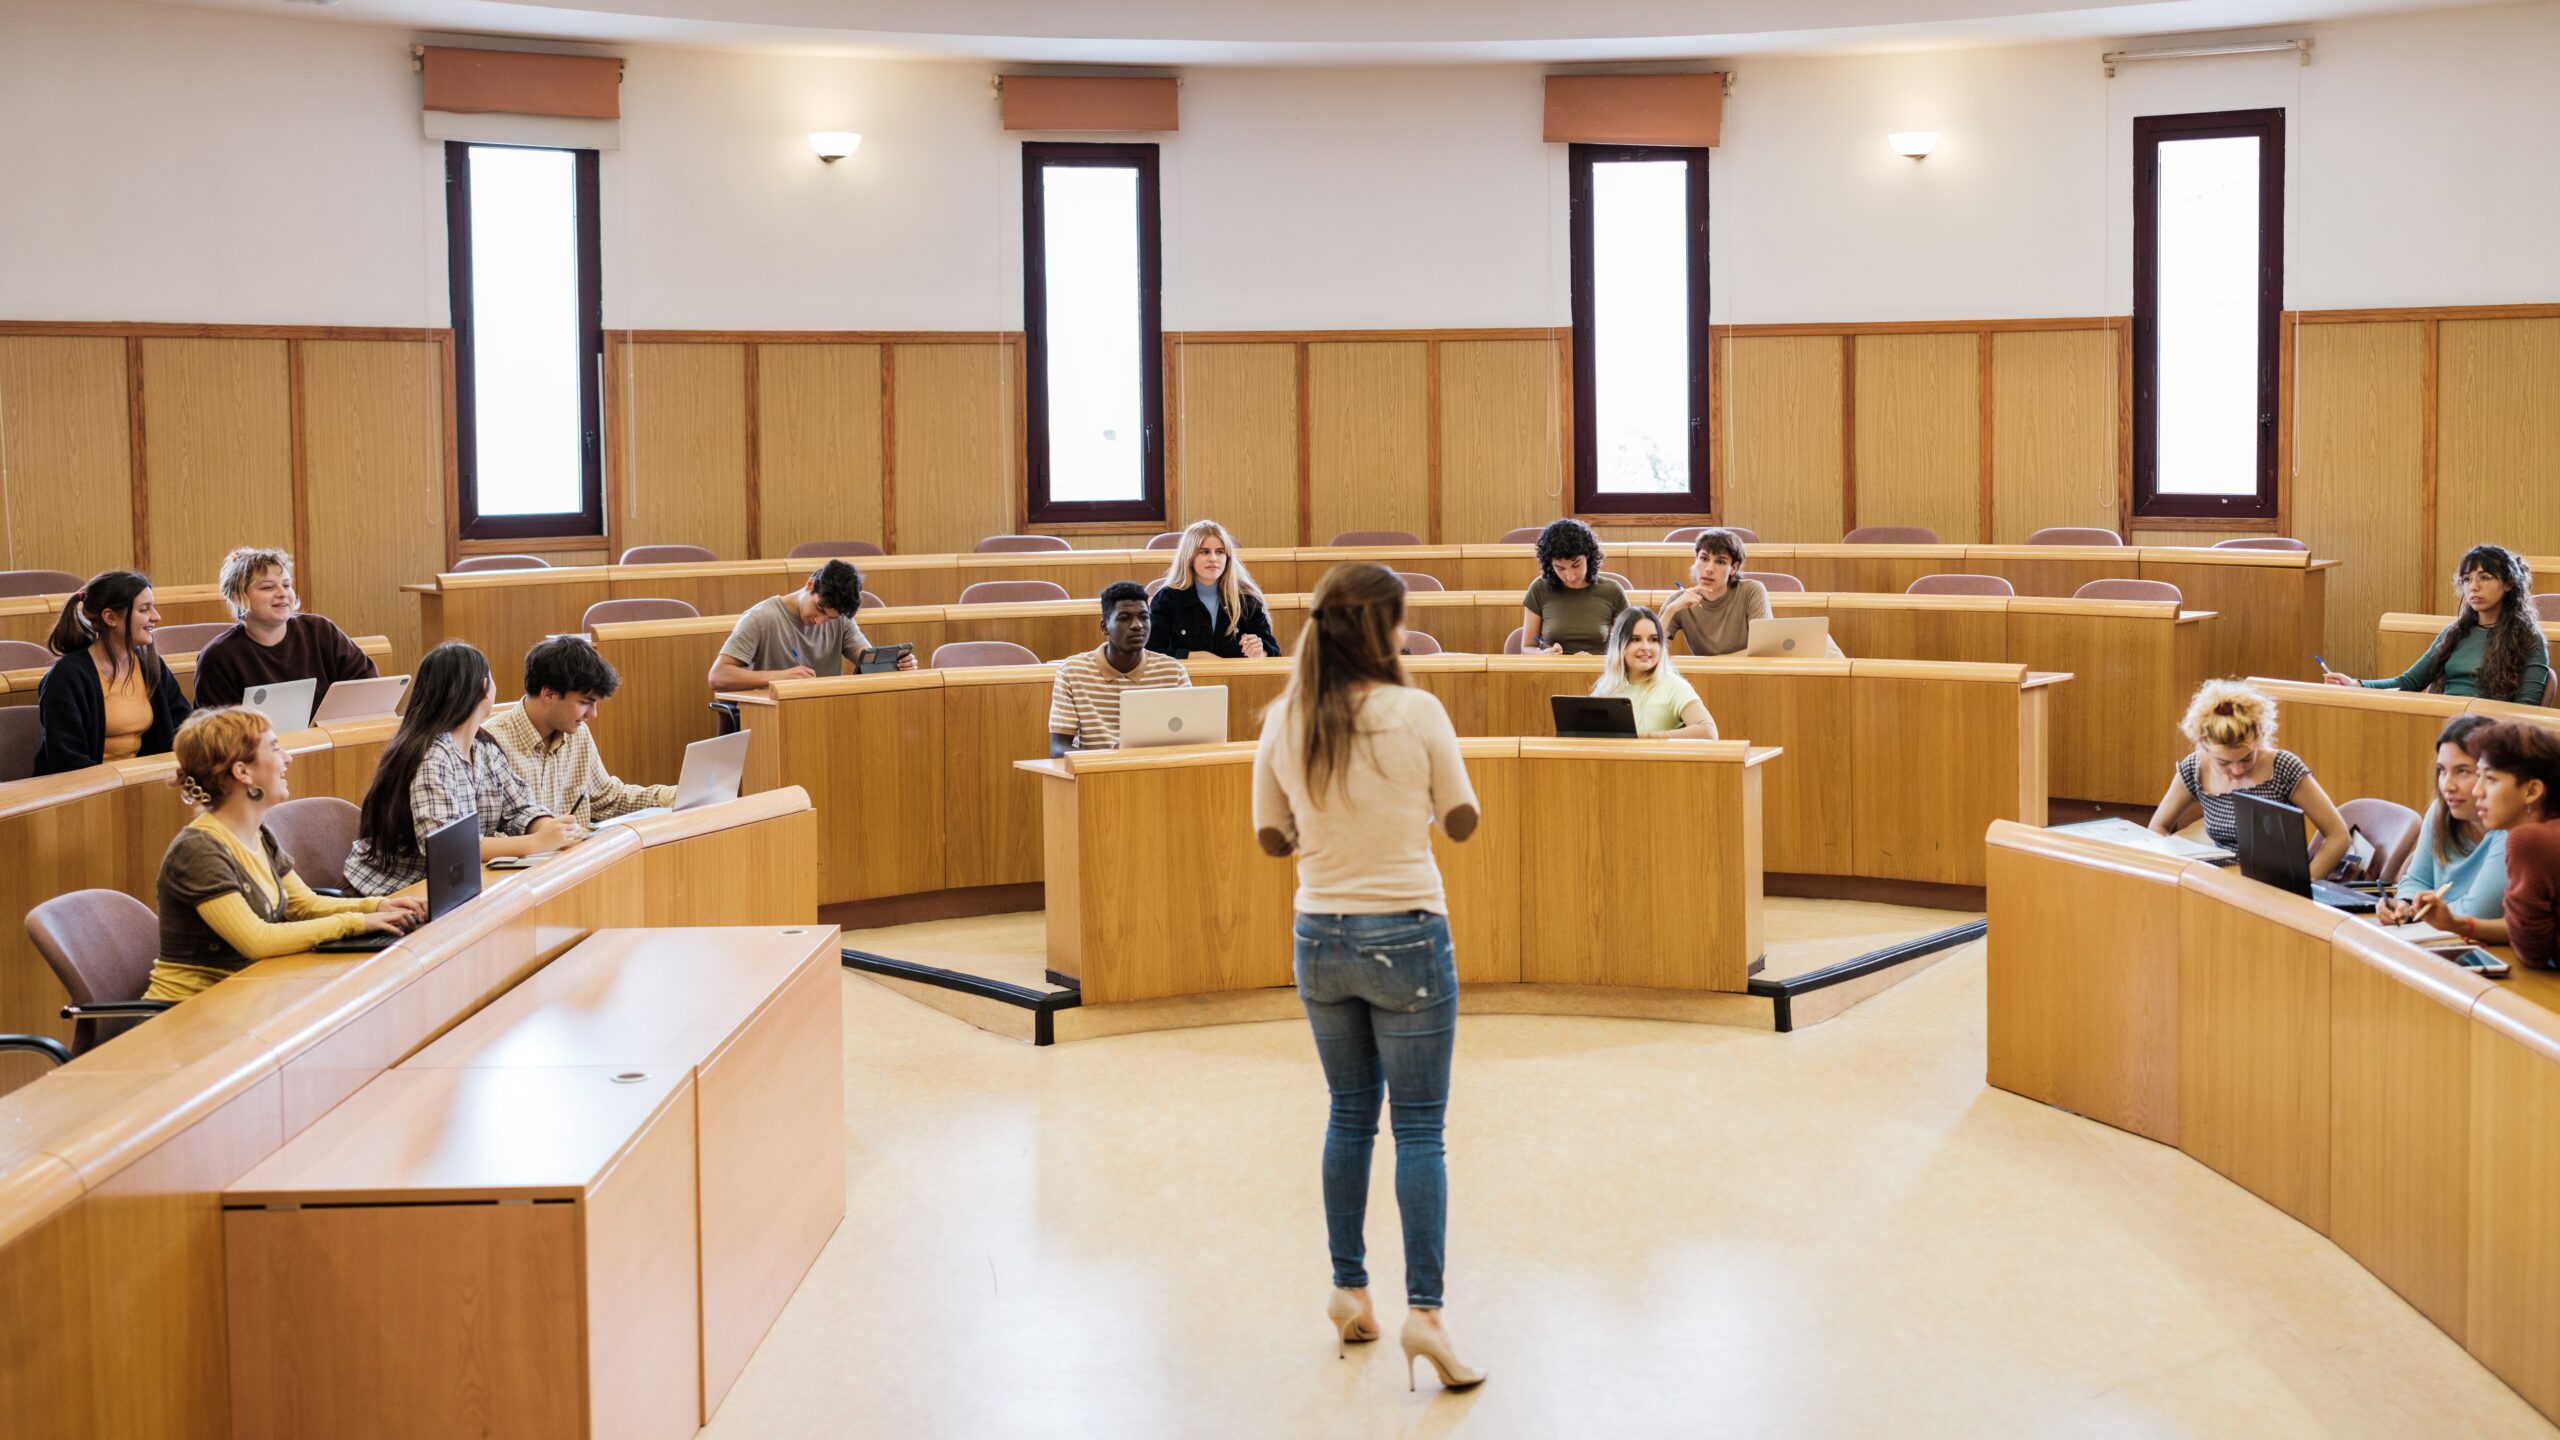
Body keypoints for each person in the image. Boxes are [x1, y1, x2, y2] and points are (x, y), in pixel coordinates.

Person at [1251, 563, 1484, 1393]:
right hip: (1409, 933)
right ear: (1381, 629)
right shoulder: (1416, 711)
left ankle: (1348, 1288)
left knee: (1350, 1116)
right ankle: (1427, 1314)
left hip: (1320, 934)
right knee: (1420, 1131)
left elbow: (1270, 837)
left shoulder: (1285, 717)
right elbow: (1461, 819)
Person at [145, 708, 422, 1000]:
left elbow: (305, 905)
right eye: (275, 748)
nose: (287, 758)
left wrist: (378, 907)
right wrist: (355, 923)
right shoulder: (197, 851)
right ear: (242, 772)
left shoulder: (259, 834)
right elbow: (257, 940)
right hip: (186, 1014)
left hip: (245, 996)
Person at [346, 642, 581, 895]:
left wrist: (548, 827)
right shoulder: (431, 757)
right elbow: (447, 848)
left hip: (450, 888)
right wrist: (534, 843)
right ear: (483, 687)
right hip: (396, 892)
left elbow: (519, 808)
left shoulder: (484, 747)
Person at [2147, 678, 2352, 876]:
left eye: (2247, 758)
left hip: (2274, 885)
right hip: (2221, 882)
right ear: (2204, 746)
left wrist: (2308, 887)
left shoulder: (2283, 767)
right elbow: (2158, 827)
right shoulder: (2194, 768)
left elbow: (2338, 836)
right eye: (2224, 763)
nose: (2237, 770)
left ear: (2260, 736)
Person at [2323, 544, 2551, 703]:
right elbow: (2408, 682)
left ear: (2509, 583)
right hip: (2445, 728)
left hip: (2491, 739)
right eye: (2467, 579)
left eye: (2484, 577)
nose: (2473, 586)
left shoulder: (2529, 638)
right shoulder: (2454, 633)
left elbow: (2525, 709)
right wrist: (2357, 684)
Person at [486, 636, 675, 822]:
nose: (592, 714)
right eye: (585, 703)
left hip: (579, 852)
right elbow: (486, 836)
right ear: (549, 694)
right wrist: (539, 838)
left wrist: (670, 796)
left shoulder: (577, 732)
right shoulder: (490, 744)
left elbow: (608, 799)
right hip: (530, 853)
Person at [33, 569, 190, 775]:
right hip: (88, 792)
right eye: (144, 610)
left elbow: (186, 727)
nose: (156, 617)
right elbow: (67, 760)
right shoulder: (67, 677)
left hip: (142, 785)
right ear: (110, 617)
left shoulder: (151, 666)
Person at [191, 546, 380, 710]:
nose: (282, 594)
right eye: (267, 587)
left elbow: (366, 681)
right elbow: (219, 733)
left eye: (287, 585)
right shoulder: (217, 657)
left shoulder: (320, 630)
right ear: (237, 598)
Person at [2376, 715, 2510, 942]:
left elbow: (2477, 912)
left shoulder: (2510, 829)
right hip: (2446, 939)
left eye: (2462, 771)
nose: (2447, 785)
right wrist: (2405, 904)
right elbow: (2417, 879)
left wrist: (2424, 910)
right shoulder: (2442, 810)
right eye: (2442, 770)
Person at [708, 558, 916, 690]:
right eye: (819, 610)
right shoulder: (760, 617)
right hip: (775, 715)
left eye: (830, 618)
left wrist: (898, 665)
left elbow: (867, 661)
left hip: (827, 712)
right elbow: (718, 676)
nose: (819, 621)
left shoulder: (841, 620)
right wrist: (780, 677)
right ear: (810, 585)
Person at [1048, 581, 1191, 757]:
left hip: (1155, 771)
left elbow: (1190, 739)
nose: (1137, 625)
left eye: (1144, 617)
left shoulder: (1173, 671)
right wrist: (1111, 757)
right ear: (1104, 627)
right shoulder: (1072, 671)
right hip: (1095, 774)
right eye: (1124, 618)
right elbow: (1057, 748)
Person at [2468, 720, 2560, 970]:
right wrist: (2456, 924)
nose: (2477, 791)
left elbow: (2532, 951)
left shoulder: (2530, 840)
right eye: (2478, 777)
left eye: (2490, 779)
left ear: (2532, 791)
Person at [1146, 519, 1281, 660]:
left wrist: (1260, 653)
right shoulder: (1167, 598)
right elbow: (1151, 653)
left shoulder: (1246, 598)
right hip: (1185, 679)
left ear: (1227, 558)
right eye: (1204, 552)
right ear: (1189, 557)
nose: (1213, 558)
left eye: (1220, 552)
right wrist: (1196, 656)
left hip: (1235, 679)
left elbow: (1275, 653)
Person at [1592, 607, 1718, 738]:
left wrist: (1645, 739)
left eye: (1653, 639)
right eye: (1635, 639)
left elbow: (1708, 732)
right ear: (1619, 645)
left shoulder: (1674, 686)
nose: (1646, 647)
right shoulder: (1605, 687)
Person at [1657, 528, 1772, 657]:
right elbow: (1651, 649)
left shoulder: (1752, 591)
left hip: (1746, 674)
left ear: (1733, 568)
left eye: (1720, 562)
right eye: (1704, 559)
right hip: (1703, 676)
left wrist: (1714, 662)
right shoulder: (1679, 600)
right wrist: (1671, 610)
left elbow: (1764, 649)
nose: (1709, 569)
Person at [1519, 518, 1625, 655]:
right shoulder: (1539, 589)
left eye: (1576, 565)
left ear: (1588, 556)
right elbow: (1527, 647)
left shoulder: (1612, 591)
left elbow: (1626, 647)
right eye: (1560, 568)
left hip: (1600, 672)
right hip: (1552, 672)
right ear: (1549, 565)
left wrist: (1595, 659)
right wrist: (1543, 653)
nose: (1570, 576)